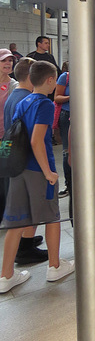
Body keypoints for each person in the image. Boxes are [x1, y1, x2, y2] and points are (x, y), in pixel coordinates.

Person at [0, 61, 74, 294]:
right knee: (52, 218)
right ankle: (54, 266)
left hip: (19, 169)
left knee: (16, 223)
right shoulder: (44, 104)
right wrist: (49, 172)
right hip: (37, 170)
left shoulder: (22, 101)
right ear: (51, 80)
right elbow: (36, 140)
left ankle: (6, 276)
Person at [2, 57, 47, 265]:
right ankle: (25, 248)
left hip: (17, 160)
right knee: (26, 209)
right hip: (27, 162)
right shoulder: (27, 99)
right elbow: (32, 138)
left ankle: (26, 241)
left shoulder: (15, 95)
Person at [0, 48, 18, 218]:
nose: (8, 63)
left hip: (5, 138)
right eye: (4, 60)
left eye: (10, 60)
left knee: (4, 176)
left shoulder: (14, 85)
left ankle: (6, 213)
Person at [54, 61, 71, 208]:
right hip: (67, 115)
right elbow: (57, 97)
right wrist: (72, 97)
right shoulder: (64, 77)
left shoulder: (91, 76)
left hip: (84, 115)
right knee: (67, 151)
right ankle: (69, 184)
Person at [27, 36, 61, 100]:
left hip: (50, 86)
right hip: (37, 87)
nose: (48, 45)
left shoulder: (50, 57)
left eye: (48, 43)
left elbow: (56, 70)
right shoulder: (31, 57)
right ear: (39, 44)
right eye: (46, 43)